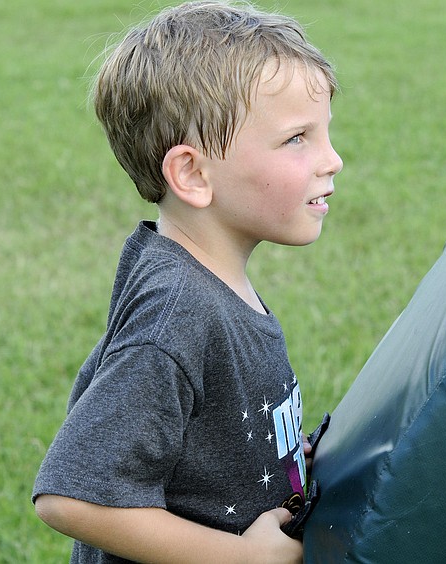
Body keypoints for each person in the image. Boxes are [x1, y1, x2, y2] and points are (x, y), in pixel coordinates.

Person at [31, 1, 343, 562]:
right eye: (297, 138)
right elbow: (71, 495)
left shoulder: (210, 282)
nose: (332, 160)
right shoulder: (179, 311)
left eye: (325, 134)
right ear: (193, 174)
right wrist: (245, 557)